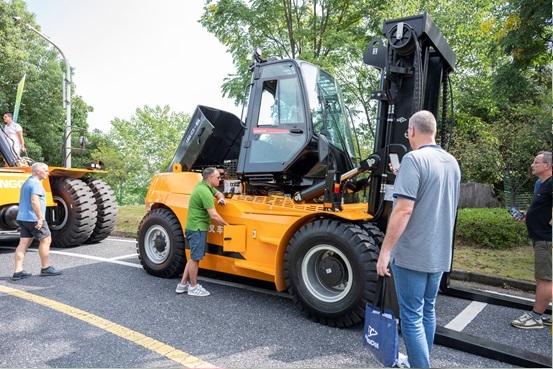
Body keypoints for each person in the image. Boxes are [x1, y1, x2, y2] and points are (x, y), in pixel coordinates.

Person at [376, 110, 461, 368]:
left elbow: (404, 210)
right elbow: (433, 194)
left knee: (411, 316)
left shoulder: (414, 160)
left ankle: (419, 365)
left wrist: (385, 252)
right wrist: (403, 172)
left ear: (412, 131)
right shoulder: (451, 162)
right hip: (438, 252)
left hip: (413, 253)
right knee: (427, 310)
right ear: (433, 131)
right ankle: (420, 360)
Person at [510, 151, 552, 329]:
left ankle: (536, 317)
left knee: (544, 278)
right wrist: (529, 216)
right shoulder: (540, 184)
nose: (533, 165)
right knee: (546, 277)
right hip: (540, 237)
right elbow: (542, 209)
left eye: (536, 162)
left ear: (547, 166)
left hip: (546, 239)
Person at [176, 167, 229, 296]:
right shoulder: (204, 192)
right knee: (195, 258)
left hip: (193, 227)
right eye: (218, 177)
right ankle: (193, 287)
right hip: (197, 229)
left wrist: (221, 198)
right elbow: (214, 215)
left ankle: (182, 284)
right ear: (210, 179)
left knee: (193, 256)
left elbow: (218, 194)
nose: (220, 179)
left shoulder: (204, 186)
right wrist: (228, 226)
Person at [12, 162, 61, 280]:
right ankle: (46, 268)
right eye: (46, 170)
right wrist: (40, 218)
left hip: (23, 218)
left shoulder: (26, 183)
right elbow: (34, 201)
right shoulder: (36, 183)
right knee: (46, 239)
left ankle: (18, 271)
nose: (48, 173)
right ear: (38, 171)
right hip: (33, 218)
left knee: (23, 243)